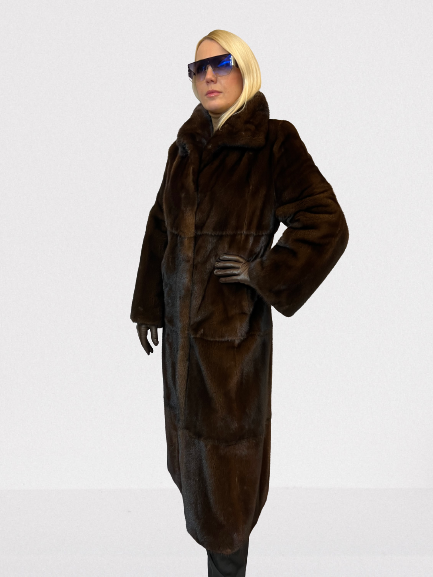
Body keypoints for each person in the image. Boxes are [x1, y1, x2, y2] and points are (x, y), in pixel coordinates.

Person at [131, 29, 349, 576]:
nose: (208, 75)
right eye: (197, 68)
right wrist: (149, 306)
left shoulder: (274, 141)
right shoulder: (183, 148)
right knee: (191, 471)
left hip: (231, 345)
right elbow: (159, 228)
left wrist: (262, 273)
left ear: (244, 69)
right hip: (181, 347)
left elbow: (325, 222)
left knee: (229, 487)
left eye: (221, 63)